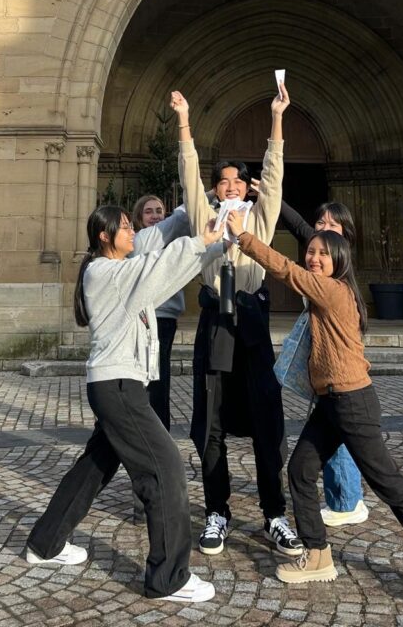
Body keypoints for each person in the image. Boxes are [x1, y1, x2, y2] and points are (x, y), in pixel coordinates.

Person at [228, 215, 403, 606]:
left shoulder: (334, 291)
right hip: (331, 402)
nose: (314, 258)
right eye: (311, 251)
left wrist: (243, 237)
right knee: (301, 469)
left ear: (339, 260)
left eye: (324, 254)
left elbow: (286, 270)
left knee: (388, 483)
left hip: (352, 402)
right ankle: (317, 554)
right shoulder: (328, 290)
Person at [25, 205, 224, 603]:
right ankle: (168, 579)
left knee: (95, 466)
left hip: (118, 385)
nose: (133, 232)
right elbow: (154, 267)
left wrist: (213, 241)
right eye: (127, 227)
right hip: (117, 388)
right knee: (165, 468)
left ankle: (45, 543)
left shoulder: (121, 270)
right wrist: (202, 240)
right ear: (104, 235)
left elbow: (164, 268)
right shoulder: (105, 273)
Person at [170, 84, 303, 559]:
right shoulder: (204, 217)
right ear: (216, 187)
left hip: (252, 324)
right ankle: (217, 512)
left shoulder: (259, 219)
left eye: (237, 181)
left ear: (247, 187)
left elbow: (275, 174)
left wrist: (277, 117)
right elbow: (188, 175)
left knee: (267, 420)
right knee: (210, 423)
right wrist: (185, 121)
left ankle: (275, 514)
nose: (230, 186)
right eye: (223, 181)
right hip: (214, 326)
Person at [272, 194, 368, 528]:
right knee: (334, 427)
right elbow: (299, 226)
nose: (323, 228)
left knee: (339, 430)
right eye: (320, 222)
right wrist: (272, 195)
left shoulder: (336, 272)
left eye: (333, 224)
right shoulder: (323, 255)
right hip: (325, 360)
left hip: (339, 366)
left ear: (346, 235)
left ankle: (347, 501)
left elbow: (286, 269)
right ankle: (344, 497)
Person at [131, 194, 184, 431]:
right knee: (149, 379)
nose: (155, 215)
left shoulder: (171, 240)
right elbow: (181, 216)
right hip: (146, 319)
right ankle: (152, 431)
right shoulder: (140, 240)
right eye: (148, 211)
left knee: (159, 378)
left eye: (159, 210)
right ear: (139, 217)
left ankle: (158, 430)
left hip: (165, 319)